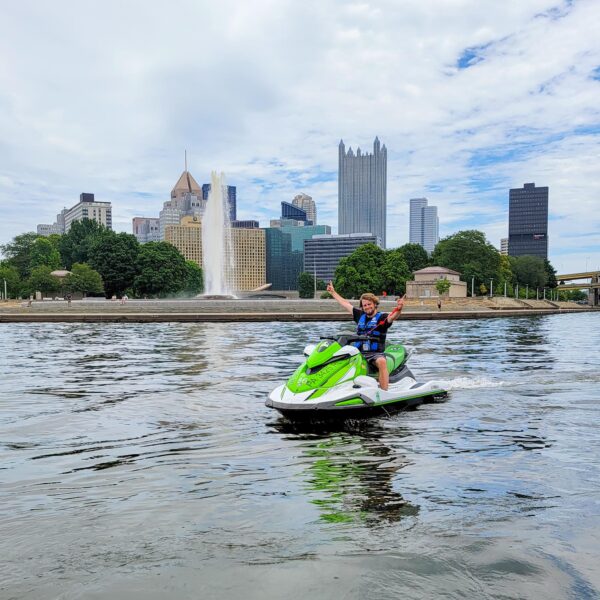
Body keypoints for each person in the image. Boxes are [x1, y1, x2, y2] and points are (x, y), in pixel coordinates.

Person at [327, 281, 405, 390]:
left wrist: (399, 309)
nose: (367, 307)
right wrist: (333, 292)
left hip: (375, 354)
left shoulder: (382, 317)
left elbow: (392, 317)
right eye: (364, 305)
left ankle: (384, 391)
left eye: (369, 304)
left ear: (374, 304)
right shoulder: (360, 315)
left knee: (382, 362)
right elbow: (345, 303)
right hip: (358, 352)